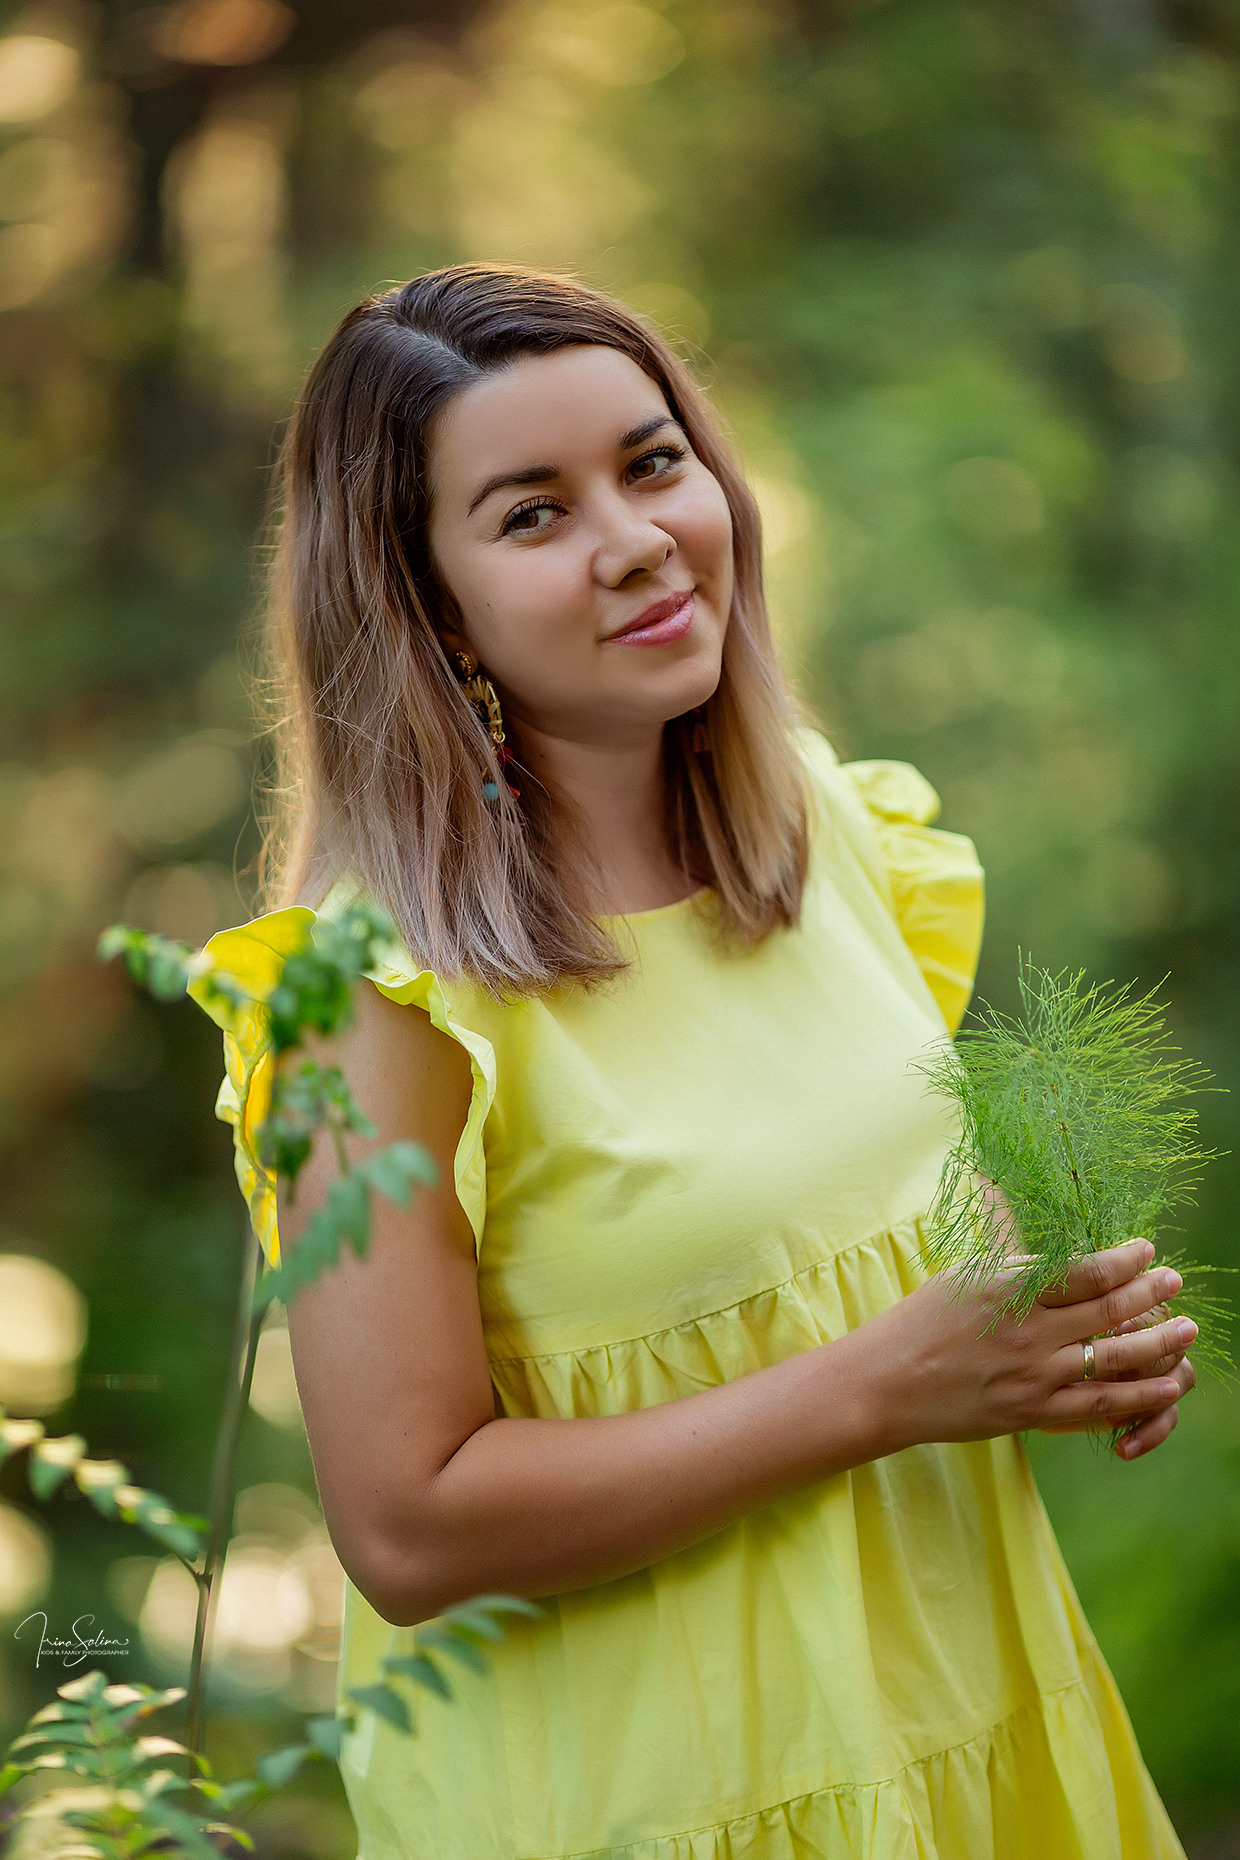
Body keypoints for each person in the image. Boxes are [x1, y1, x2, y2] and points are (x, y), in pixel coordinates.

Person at [198, 266, 1194, 1859]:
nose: (639, 536)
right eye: (533, 514)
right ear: (425, 602)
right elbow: (407, 1523)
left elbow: (852, 1255)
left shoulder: (839, 836)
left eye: (652, 462)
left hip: (972, 1732)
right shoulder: (374, 999)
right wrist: (887, 1387)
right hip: (653, 1803)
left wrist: (1047, 1342)